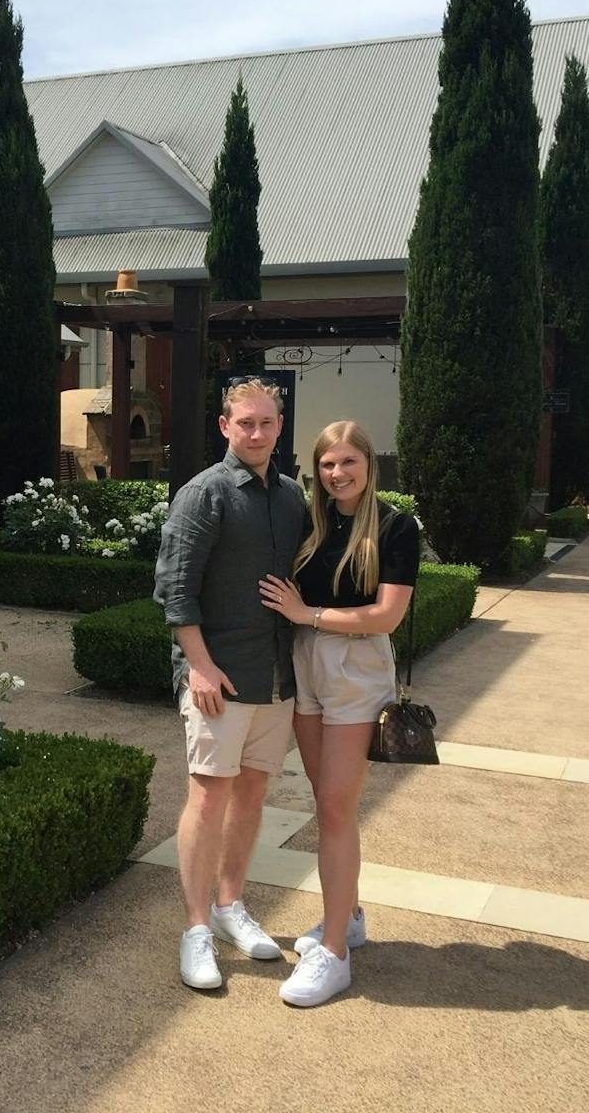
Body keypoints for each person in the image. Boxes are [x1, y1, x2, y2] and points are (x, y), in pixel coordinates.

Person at [258, 420, 418, 1007]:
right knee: (325, 799)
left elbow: (386, 616)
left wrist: (310, 616)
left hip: (355, 669)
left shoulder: (397, 527)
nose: (338, 474)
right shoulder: (312, 523)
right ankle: (347, 916)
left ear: (369, 465)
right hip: (308, 665)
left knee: (333, 809)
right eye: (328, 464)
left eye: (348, 462)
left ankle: (335, 952)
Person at [154, 378, 308, 990]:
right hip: (218, 677)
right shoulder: (204, 494)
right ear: (225, 426)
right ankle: (195, 930)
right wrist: (198, 664)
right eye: (245, 423)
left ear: (279, 425)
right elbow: (174, 591)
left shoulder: (294, 496)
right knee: (209, 798)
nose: (257, 433)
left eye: (267, 422)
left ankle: (229, 907)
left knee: (251, 797)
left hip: (275, 676)